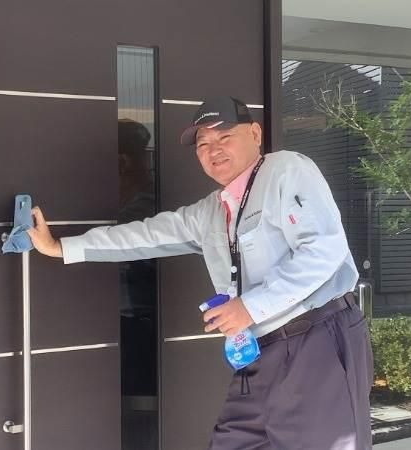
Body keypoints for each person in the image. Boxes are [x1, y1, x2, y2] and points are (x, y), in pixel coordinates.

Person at [27, 96, 374, 450]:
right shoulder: (212, 210)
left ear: (255, 134)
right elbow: (146, 236)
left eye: (225, 137)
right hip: (259, 352)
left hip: (314, 340)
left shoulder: (285, 170)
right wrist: (60, 247)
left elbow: (323, 251)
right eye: (203, 144)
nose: (213, 150)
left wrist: (250, 307)